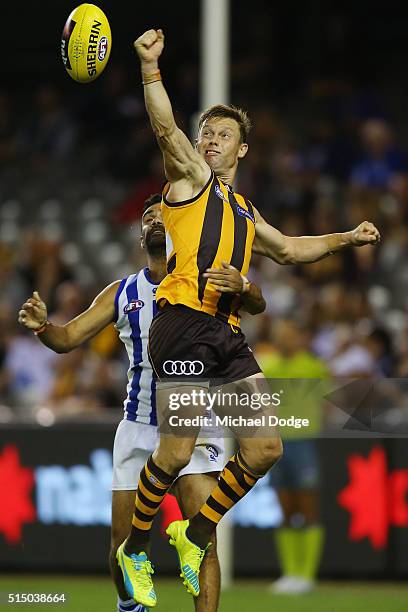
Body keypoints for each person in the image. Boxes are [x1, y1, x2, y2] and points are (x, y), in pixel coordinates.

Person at [118, 28, 381, 608]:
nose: (209, 140)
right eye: (206, 132)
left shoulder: (242, 208)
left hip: (226, 337)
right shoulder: (188, 180)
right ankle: (135, 547)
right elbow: (165, 125)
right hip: (183, 322)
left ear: (242, 151)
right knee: (178, 454)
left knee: (265, 450)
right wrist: (149, 69)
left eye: (223, 135)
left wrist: (344, 237)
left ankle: (195, 531)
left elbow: (288, 249)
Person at [18, 195, 266, 612]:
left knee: (202, 540)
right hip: (140, 424)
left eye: (161, 216)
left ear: (177, 230)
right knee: (122, 543)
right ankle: (129, 608)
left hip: (197, 421)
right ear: (139, 238)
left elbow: (256, 305)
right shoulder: (122, 293)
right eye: (146, 218)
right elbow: (67, 339)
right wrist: (43, 326)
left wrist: (246, 287)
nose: (153, 221)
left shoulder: (206, 281)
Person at [259, 319, 329, 595]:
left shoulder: (314, 367)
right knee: (286, 510)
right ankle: (290, 574)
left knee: (308, 508)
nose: (286, 340)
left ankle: (306, 575)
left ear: (299, 338)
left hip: (304, 443)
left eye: (290, 335)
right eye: (281, 335)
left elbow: (332, 398)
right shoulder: (268, 366)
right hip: (277, 444)